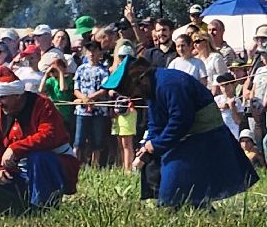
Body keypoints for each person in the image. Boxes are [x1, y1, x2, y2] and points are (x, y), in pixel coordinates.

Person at [103, 54, 258, 208]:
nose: (134, 96)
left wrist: (156, 144)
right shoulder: (152, 88)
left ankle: (191, 208)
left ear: (142, 78)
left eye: (132, 90)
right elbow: (156, 123)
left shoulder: (170, 84)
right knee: (162, 175)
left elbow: (181, 120)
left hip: (205, 137)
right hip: (185, 137)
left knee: (175, 192)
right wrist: (147, 147)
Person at [0, 67, 79, 207]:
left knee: (38, 158)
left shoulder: (43, 105)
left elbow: (48, 135)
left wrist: (15, 148)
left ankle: (42, 206)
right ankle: (13, 206)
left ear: (17, 95)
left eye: (2, 97)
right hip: (18, 172)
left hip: (53, 167)